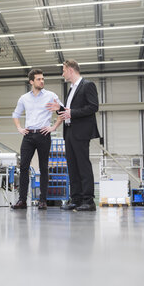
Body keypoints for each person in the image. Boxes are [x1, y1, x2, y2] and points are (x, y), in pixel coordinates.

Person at [46, 60, 100, 211]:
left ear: (70, 70)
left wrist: (72, 112)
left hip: (81, 132)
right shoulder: (71, 89)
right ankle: (76, 199)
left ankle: (88, 201)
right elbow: (69, 111)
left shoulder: (87, 85)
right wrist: (60, 108)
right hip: (69, 131)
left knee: (83, 166)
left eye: (63, 70)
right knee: (72, 167)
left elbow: (93, 106)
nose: (62, 74)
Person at [11, 69, 62, 210]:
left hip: (44, 134)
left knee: (44, 167)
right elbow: (15, 114)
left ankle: (42, 200)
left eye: (43, 79)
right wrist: (19, 128)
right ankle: (22, 200)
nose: (42, 81)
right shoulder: (24, 98)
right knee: (24, 167)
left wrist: (54, 127)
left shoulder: (51, 95)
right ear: (31, 82)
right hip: (28, 135)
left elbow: (62, 111)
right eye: (39, 79)